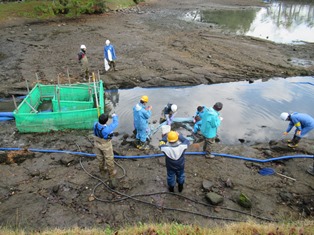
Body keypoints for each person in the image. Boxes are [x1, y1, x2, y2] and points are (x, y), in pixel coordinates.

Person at [93, 113, 119, 188]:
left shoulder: (95, 124)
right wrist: (114, 116)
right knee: (109, 159)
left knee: (100, 157)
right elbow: (115, 123)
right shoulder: (106, 130)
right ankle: (111, 173)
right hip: (105, 145)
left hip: (97, 142)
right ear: (106, 121)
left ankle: (102, 170)